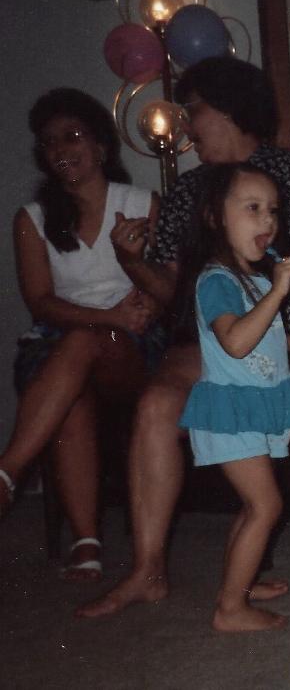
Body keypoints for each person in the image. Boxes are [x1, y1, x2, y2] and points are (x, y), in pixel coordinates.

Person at [77, 55, 290, 619]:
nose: (187, 126)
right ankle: (147, 572)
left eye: (194, 111)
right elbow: (171, 291)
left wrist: (287, 268)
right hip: (217, 345)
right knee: (157, 405)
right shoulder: (188, 192)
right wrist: (130, 261)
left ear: (229, 109)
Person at [0, 87, 161, 580]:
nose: (60, 150)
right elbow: (40, 302)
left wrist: (140, 308)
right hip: (59, 342)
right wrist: (106, 317)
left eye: (72, 136)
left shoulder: (140, 203)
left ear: (101, 147)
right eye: (49, 142)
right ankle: (86, 541)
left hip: (128, 346)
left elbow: (163, 284)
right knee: (73, 390)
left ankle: (8, 473)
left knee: (86, 343)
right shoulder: (32, 219)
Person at [176, 163, 290, 631]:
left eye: (273, 211)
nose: (268, 221)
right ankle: (230, 609)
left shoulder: (253, 281)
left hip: (251, 407)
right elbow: (236, 343)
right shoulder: (217, 280)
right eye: (253, 208)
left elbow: (259, 344)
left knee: (253, 505)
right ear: (214, 217)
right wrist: (279, 291)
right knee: (266, 506)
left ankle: (238, 585)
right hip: (231, 411)